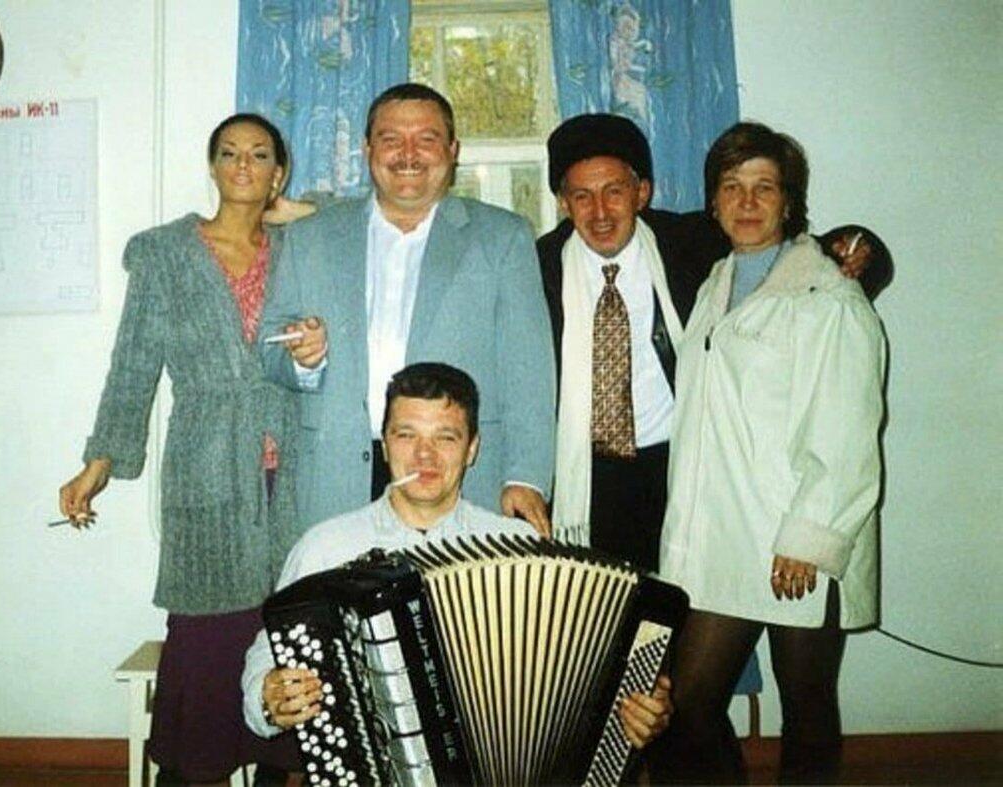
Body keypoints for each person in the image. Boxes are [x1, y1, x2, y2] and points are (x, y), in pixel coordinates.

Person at [57, 114, 309, 785]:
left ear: (279, 172)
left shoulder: (301, 248)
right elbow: (133, 364)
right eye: (229, 153)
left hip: (292, 473)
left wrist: (293, 210)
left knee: (286, 633)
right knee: (205, 642)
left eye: (260, 154)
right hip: (207, 466)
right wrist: (98, 463)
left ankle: (272, 766)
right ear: (212, 166)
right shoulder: (166, 252)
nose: (243, 164)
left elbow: (360, 215)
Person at [240, 362, 672, 752]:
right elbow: (266, 657)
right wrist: (268, 696)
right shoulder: (326, 546)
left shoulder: (520, 547)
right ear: (385, 445)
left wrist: (640, 707)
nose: (424, 455)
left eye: (445, 437)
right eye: (406, 435)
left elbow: (589, 666)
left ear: (472, 449)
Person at [537, 113, 888, 570]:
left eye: (615, 191)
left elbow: (790, 252)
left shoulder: (689, 241)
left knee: (678, 605)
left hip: (678, 467)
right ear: (563, 202)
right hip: (581, 477)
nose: (600, 212)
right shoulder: (536, 268)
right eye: (582, 196)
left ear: (642, 192)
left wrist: (861, 249)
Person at [654, 122, 886, 784]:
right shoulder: (715, 283)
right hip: (726, 537)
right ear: (713, 201)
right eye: (732, 187)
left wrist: (808, 537)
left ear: (789, 201)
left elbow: (847, 430)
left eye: (764, 187)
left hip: (797, 538)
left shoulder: (829, 297)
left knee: (806, 707)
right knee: (689, 702)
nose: (747, 202)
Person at [258, 83, 556, 537]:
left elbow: (529, 372)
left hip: (460, 478)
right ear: (367, 150)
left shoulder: (503, 237)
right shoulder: (310, 237)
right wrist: (303, 360)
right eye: (391, 139)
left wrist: (526, 477)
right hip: (338, 479)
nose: (408, 154)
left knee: (453, 587)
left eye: (426, 139)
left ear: (452, 151)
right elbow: (269, 345)